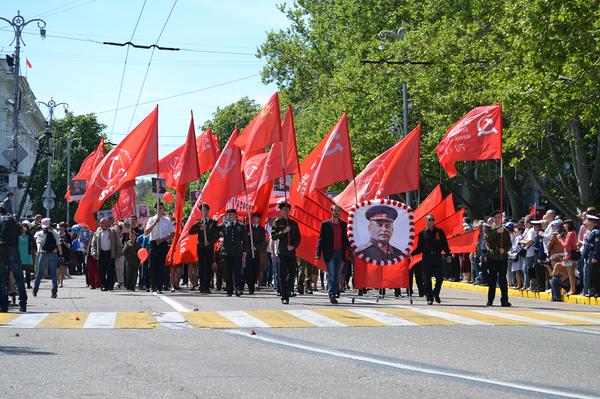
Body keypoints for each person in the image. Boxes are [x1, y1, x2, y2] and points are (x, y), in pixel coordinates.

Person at [411, 213, 451, 305]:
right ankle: (429, 298)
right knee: (426, 278)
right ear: (425, 221)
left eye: (433, 219)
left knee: (440, 277)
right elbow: (419, 247)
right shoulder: (422, 233)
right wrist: (412, 254)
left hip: (437, 256)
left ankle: (436, 293)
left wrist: (448, 254)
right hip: (427, 257)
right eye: (429, 220)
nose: (432, 221)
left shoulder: (439, 231)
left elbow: (445, 244)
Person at [316, 204, 351, 304]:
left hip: (340, 252)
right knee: (331, 274)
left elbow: (345, 239)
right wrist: (318, 253)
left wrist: (354, 247)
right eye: (335, 210)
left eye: (338, 210)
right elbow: (321, 239)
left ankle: (336, 292)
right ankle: (331, 294)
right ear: (331, 212)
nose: (336, 212)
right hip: (329, 252)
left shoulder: (344, 224)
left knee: (338, 275)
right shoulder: (325, 224)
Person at [271, 202, 301, 304]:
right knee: (282, 274)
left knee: (292, 273)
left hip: (291, 251)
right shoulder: (277, 222)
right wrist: (283, 231)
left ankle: (286, 290)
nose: (285, 211)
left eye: (287, 209)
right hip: (282, 250)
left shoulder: (293, 223)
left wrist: (293, 246)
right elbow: (274, 235)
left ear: (289, 211)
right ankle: (284, 296)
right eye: (283, 209)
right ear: (281, 211)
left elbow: (298, 238)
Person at [0, 207, 27, 312]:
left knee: (1, 279)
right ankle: (23, 304)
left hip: (0, 250)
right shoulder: (10, 219)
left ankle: (4, 305)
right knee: (19, 277)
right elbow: (18, 233)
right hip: (12, 248)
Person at [215, 209, 247, 297]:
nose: (229, 216)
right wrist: (217, 220)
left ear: (235, 215)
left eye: (231, 215)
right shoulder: (225, 224)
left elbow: (244, 239)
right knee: (228, 271)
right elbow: (213, 228)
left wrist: (245, 251)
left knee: (237, 271)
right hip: (227, 251)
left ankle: (238, 289)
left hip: (237, 251)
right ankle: (229, 290)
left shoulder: (241, 225)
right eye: (228, 215)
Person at [144, 202, 175, 294]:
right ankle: (152, 285)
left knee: (161, 266)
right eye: (157, 208)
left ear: (163, 209)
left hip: (162, 243)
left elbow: (173, 233)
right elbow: (146, 232)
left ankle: (159, 287)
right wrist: (154, 223)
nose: (159, 210)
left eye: (161, 208)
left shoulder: (167, 220)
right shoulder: (151, 219)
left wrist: (164, 239)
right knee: (152, 266)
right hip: (153, 243)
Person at [484, 210, 512, 307]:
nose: (497, 219)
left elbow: (509, 244)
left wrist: (504, 250)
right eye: (495, 217)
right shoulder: (489, 229)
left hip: (502, 257)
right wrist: (497, 232)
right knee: (492, 279)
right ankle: (490, 300)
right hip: (493, 256)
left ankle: (504, 300)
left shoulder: (505, 230)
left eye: (499, 217)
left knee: (503, 280)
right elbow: (488, 238)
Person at [189, 204, 220, 293]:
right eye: (202, 211)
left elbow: (217, 235)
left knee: (209, 266)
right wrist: (200, 228)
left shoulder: (212, 222)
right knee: (201, 266)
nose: (203, 212)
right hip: (201, 245)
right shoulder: (199, 222)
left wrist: (210, 242)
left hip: (209, 246)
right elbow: (191, 231)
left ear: (208, 211)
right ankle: (202, 285)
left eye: (205, 210)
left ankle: (207, 286)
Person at [33, 218, 63, 299]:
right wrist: (61, 254)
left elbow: (38, 242)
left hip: (43, 254)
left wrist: (38, 250)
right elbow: (58, 244)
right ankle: (54, 290)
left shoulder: (39, 233)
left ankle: (35, 290)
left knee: (39, 273)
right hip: (53, 254)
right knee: (53, 273)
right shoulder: (55, 233)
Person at [91, 217, 123, 291]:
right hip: (101, 253)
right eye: (100, 223)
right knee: (101, 270)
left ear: (107, 223)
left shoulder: (113, 231)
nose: (101, 225)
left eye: (102, 223)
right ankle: (103, 285)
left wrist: (118, 251)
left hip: (110, 253)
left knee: (110, 270)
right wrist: (93, 252)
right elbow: (93, 244)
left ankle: (110, 285)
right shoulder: (97, 232)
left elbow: (118, 242)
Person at [244, 212, 266, 294]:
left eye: (256, 218)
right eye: (253, 218)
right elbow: (244, 239)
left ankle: (254, 283)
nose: (254, 219)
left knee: (256, 270)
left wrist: (256, 247)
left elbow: (262, 241)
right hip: (249, 252)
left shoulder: (261, 229)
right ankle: (251, 287)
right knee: (249, 270)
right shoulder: (248, 228)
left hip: (256, 252)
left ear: (259, 219)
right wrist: (248, 235)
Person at [582, 214, 600, 298]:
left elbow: (597, 245)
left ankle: (597, 291)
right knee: (592, 273)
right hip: (591, 253)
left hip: (594, 253)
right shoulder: (592, 231)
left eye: (588, 221)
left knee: (595, 273)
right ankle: (593, 290)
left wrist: (595, 257)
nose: (587, 222)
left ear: (591, 222)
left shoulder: (596, 232)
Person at [19, 224, 35, 289]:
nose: (24, 228)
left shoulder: (29, 236)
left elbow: (33, 242)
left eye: (25, 227)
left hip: (27, 253)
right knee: (20, 269)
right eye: (22, 227)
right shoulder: (18, 235)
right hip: (19, 253)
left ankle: (28, 284)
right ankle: (21, 284)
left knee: (27, 269)